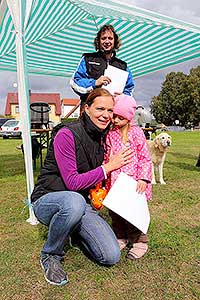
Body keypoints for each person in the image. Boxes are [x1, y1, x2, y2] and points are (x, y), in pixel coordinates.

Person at [31, 88, 133, 286]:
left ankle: (74, 232)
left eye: (110, 110)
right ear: (86, 108)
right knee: (74, 200)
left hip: (80, 203)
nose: (106, 115)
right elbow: (73, 183)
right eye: (100, 109)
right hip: (49, 199)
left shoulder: (103, 136)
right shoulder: (67, 134)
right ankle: (51, 254)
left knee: (111, 256)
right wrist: (109, 167)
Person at [104, 94, 152, 261]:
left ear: (129, 117)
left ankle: (140, 241)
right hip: (114, 183)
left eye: (121, 117)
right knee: (116, 213)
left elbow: (145, 157)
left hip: (133, 183)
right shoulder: (110, 133)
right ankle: (120, 236)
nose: (116, 120)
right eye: (114, 116)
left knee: (132, 213)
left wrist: (143, 179)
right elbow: (106, 156)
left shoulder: (136, 133)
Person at [70, 24, 134, 106]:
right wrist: (94, 83)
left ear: (115, 41)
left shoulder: (123, 66)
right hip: (90, 110)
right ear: (98, 41)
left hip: (113, 112)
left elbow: (129, 89)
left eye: (110, 38)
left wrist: (123, 97)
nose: (107, 41)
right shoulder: (87, 59)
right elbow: (75, 82)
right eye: (103, 38)